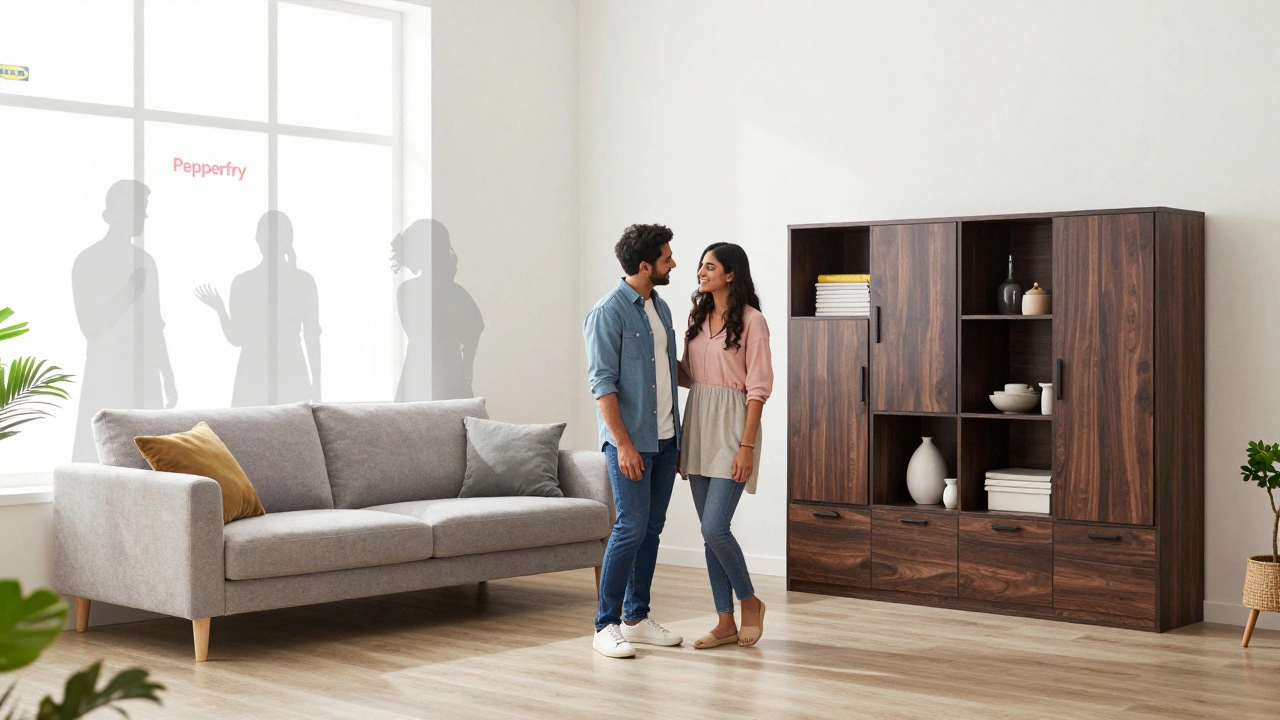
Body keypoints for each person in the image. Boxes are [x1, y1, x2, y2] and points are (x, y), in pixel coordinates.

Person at [583, 223, 685, 658]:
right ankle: (605, 625)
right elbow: (602, 385)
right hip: (631, 442)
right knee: (630, 527)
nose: (673, 263)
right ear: (645, 266)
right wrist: (622, 444)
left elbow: (670, 370)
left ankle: (636, 616)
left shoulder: (659, 307)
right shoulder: (608, 312)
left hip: (665, 440)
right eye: (666, 258)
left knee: (653, 529)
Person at [677, 242, 773, 649]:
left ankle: (749, 602)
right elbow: (687, 374)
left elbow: (758, 389)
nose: (701, 271)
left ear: (730, 274)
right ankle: (724, 621)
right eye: (701, 266)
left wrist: (746, 446)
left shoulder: (754, 322)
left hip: (735, 426)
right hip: (698, 421)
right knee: (708, 533)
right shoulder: (697, 318)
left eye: (710, 266)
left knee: (715, 526)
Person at [71, 180, 178, 462]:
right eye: (139, 208)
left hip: (144, 376)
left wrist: (167, 374)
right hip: (106, 374)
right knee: (97, 459)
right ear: (117, 211)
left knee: (149, 461)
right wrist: (128, 294)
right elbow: (90, 326)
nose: (144, 216)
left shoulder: (146, 262)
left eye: (144, 209)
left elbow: (154, 325)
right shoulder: (88, 261)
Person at [195, 210, 321, 406]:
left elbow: (311, 336)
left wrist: (317, 384)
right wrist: (220, 309)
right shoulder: (244, 282)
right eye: (267, 234)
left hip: (286, 375)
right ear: (257, 238)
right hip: (254, 377)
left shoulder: (302, 281)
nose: (271, 240)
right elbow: (237, 338)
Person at [390, 219, 484, 401]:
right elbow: (475, 329)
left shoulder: (406, 290)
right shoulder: (455, 293)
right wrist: (468, 366)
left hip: (417, 372)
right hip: (448, 372)